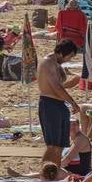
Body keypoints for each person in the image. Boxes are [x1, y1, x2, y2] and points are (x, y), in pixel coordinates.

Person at [38, 39, 81, 167]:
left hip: (59, 104)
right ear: (63, 53)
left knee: (60, 145)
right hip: (49, 103)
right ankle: (43, 172)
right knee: (52, 145)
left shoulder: (57, 64)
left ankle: (54, 172)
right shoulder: (48, 62)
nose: (69, 59)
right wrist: (72, 102)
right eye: (70, 56)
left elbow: (61, 86)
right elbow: (56, 87)